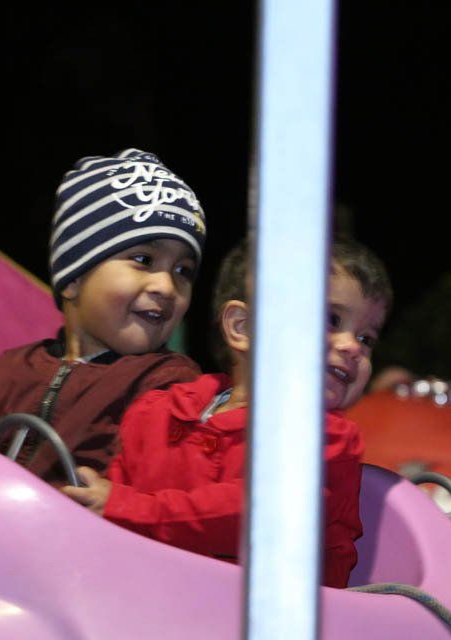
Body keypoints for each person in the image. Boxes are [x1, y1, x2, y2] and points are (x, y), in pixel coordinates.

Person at [62, 237, 392, 588]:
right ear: (243, 327)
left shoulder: (328, 440)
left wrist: (126, 508)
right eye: (331, 319)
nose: (353, 347)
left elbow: (255, 513)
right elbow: (109, 516)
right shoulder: (157, 412)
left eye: (367, 338)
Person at [0, 149, 205, 483]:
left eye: (183, 270)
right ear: (74, 280)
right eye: (144, 260)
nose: (166, 285)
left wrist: (119, 503)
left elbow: (159, 499)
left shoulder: (169, 382)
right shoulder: (14, 369)